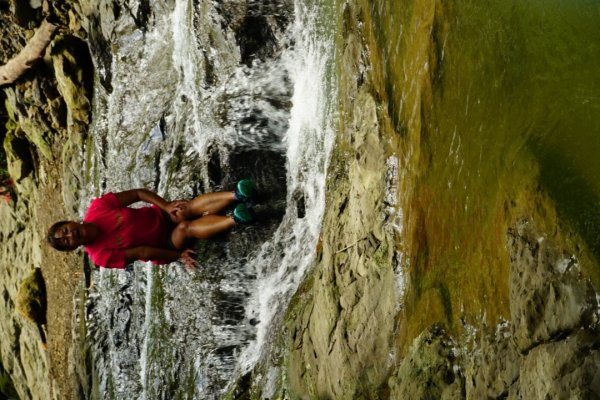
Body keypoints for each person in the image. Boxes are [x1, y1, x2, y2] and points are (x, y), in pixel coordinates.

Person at [46, 179, 257, 270]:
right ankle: (235, 218)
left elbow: (138, 193)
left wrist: (166, 206)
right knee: (185, 228)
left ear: (70, 221)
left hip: (159, 216)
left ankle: (236, 194)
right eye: (66, 241)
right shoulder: (101, 256)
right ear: (73, 247)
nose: (70, 235)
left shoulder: (99, 207)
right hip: (164, 245)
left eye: (65, 230)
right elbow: (143, 252)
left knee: (185, 210)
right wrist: (178, 255)